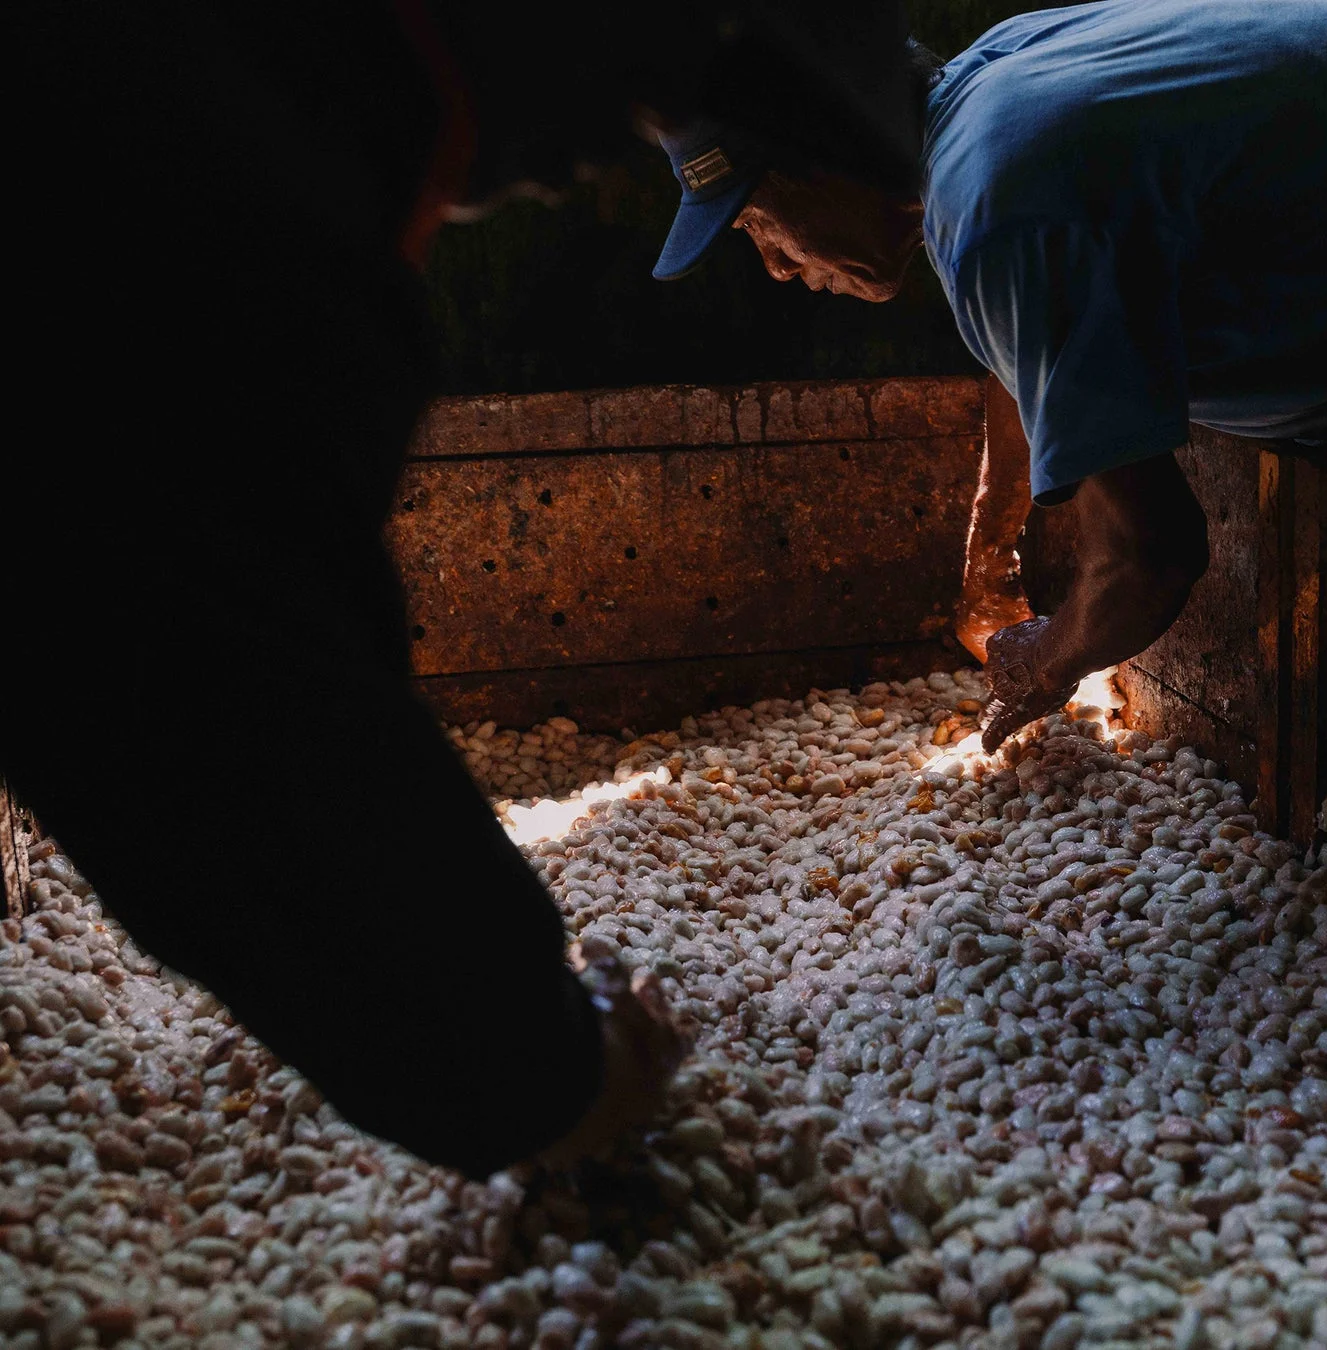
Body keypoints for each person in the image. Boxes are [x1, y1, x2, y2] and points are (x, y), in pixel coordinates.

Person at [3, 2, 918, 1178]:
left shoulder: (270, 115)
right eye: (646, 88)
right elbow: (195, 692)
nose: (598, 160)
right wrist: (536, 1074)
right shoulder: (204, 167)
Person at [653, 0, 1327, 751]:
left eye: (754, 223)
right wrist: (996, 527)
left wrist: (1046, 661)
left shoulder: (999, 194)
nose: (777, 265)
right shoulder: (990, 90)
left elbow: (1153, 554)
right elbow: (1036, 327)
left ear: (826, 155)